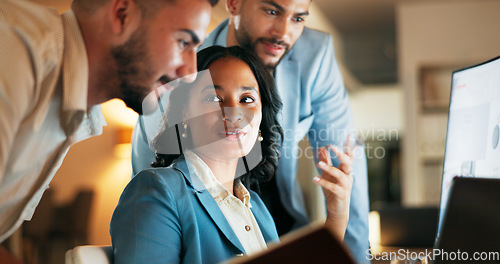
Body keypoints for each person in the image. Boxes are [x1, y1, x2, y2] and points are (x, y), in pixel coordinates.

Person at [130, 0, 370, 262]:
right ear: (234, 4)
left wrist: (339, 221)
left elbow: (344, 164)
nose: (283, 33)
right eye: (271, 11)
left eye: (298, 18)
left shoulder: (255, 207)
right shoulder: (179, 67)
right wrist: (164, 207)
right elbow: (152, 180)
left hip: (263, 211)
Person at [0, 0, 217, 242]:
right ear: (122, 14)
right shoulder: (12, 43)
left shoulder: (77, 107)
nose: (189, 74)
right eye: (183, 42)